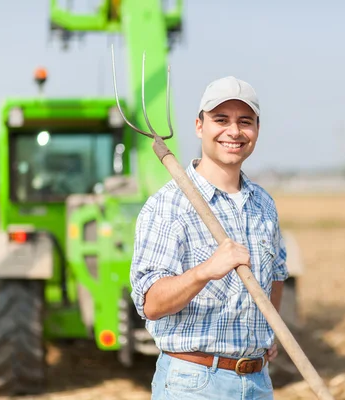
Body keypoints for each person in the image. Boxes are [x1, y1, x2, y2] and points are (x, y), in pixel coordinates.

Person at [130, 75, 289, 399]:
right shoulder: (169, 205)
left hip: (258, 382)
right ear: (199, 126)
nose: (234, 131)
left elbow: (276, 276)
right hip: (195, 382)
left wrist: (267, 331)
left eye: (245, 121)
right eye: (221, 120)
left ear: (256, 129)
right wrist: (206, 270)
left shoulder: (263, 205)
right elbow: (150, 303)